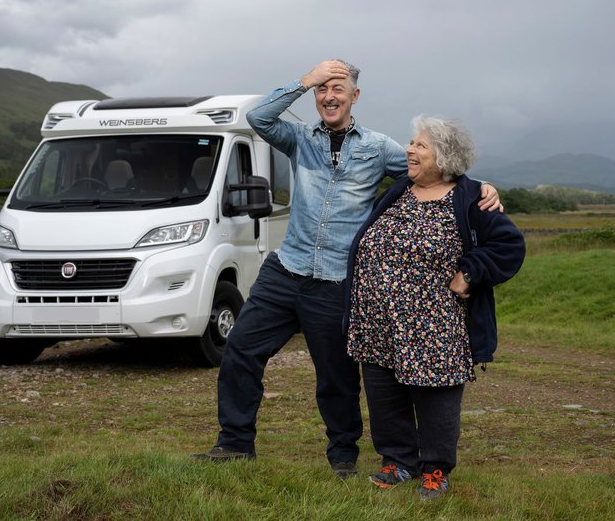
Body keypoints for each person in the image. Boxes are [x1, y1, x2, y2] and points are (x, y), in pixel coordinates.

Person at [193, 60, 503, 477]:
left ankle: (342, 456)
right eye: (322, 89)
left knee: (336, 377)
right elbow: (258, 117)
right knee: (241, 350)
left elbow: (434, 169)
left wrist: (480, 187)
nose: (328, 96)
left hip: (337, 281)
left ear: (355, 96)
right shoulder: (299, 138)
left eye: (337, 88)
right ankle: (234, 442)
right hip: (285, 270)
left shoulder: (379, 148)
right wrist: (306, 80)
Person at [345, 115, 525, 499]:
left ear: (444, 157)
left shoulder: (471, 198)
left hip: (435, 324)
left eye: (420, 145)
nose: (409, 150)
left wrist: (469, 272)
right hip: (378, 321)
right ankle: (397, 461)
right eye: (411, 143)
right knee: (383, 395)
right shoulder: (398, 191)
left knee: (437, 400)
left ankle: (435, 470)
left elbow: (509, 246)